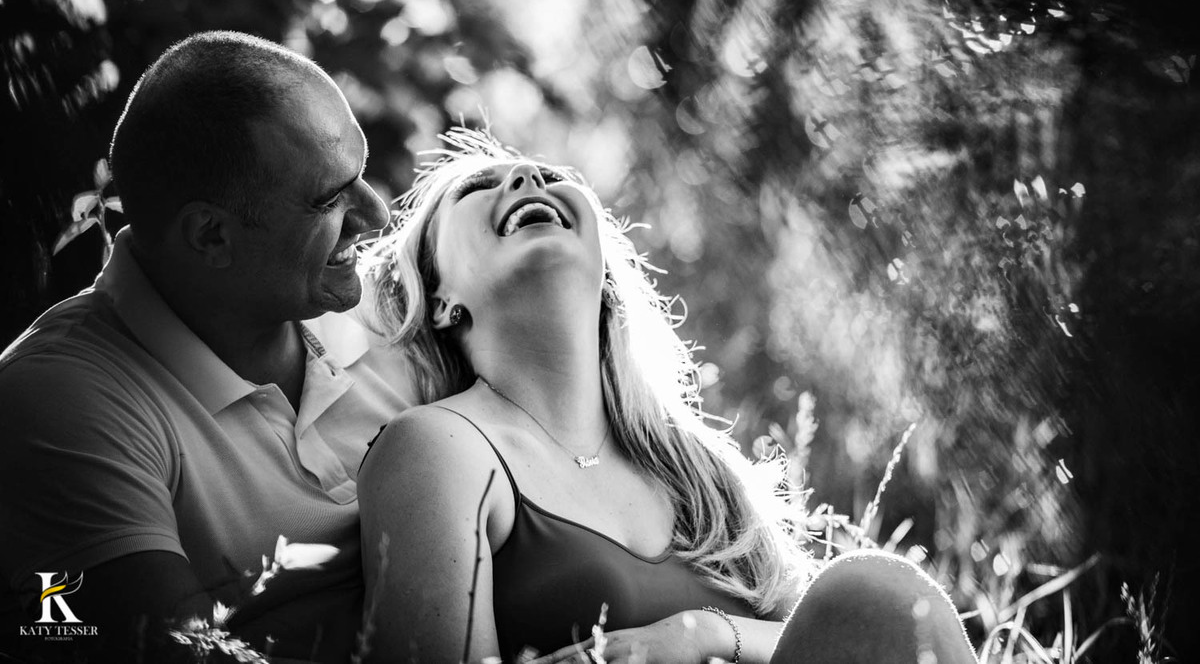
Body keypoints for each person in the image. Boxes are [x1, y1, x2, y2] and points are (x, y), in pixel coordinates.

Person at [358, 129, 977, 664]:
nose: (525, 176)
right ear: (441, 302)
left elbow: (823, 637)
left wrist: (702, 634)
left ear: (602, 264)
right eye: (476, 189)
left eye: (550, 176)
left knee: (890, 598)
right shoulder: (436, 448)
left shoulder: (695, 469)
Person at [0, 31, 409, 663]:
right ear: (211, 236)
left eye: (360, 174)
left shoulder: (401, 307)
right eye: (329, 198)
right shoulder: (60, 401)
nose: (377, 214)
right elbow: (177, 654)